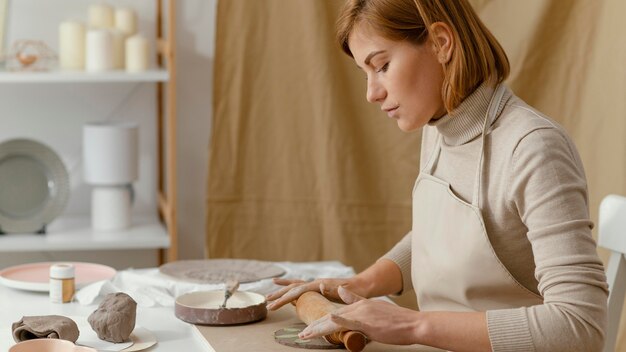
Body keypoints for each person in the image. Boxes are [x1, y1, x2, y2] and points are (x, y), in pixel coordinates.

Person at [266, 0, 609, 351]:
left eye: (382, 66)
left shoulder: (533, 148)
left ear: (441, 43)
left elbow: (580, 325)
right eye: (365, 73)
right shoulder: (439, 124)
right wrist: (360, 284)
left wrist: (414, 325)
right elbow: (445, 234)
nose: (372, 93)